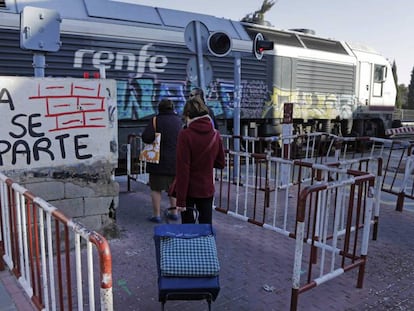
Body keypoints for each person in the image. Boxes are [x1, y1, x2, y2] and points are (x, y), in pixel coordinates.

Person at [174, 96, 225, 224]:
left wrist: (180, 200)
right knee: (206, 228)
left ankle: (190, 245)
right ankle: (206, 244)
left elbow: (183, 169)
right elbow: (221, 163)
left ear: (188, 115)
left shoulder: (185, 135)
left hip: (188, 190)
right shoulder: (215, 134)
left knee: (188, 230)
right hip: (206, 188)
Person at [141, 98, 182, 223]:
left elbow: (146, 138)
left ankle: (157, 215)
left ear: (159, 108)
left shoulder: (155, 120)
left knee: (156, 189)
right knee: (174, 189)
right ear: (172, 108)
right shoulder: (179, 121)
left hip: (158, 161)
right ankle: (174, 212)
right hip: (176, 160)